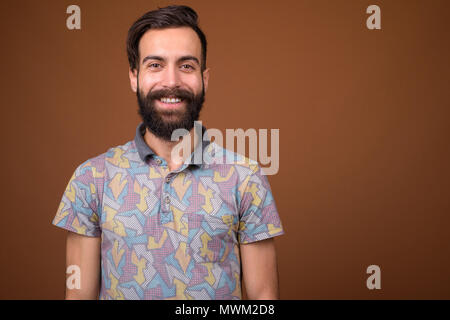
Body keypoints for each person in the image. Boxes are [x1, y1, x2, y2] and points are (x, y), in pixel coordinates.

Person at [52, 5, 284, 300]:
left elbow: (264, 300)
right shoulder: (90, 179)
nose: (171, 81)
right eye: (155, 65)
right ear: (134, 78)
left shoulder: (246, 177)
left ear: (205, 79)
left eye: (186, 66)